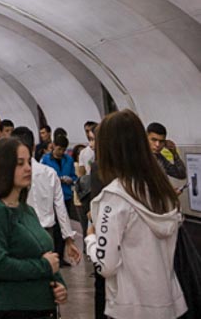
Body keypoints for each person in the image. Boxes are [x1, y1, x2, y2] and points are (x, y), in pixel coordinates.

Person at [85, 109, 186, 319]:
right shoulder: (162, 191)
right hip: (168, 304)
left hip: (129, 308)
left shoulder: (115, 198)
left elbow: (105, 265)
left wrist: (91, 239)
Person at [0, 137, 67, 317]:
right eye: (20, 164)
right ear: (2, 168)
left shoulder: (27, 210)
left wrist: (58, 284)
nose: (28, 168)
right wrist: (44, 266)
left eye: (28, 162)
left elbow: (45, 254)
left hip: (42, 309)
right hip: (14, 309)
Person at [12, 126, 81, 267]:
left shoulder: (10, 175)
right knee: (47, 274)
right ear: (33, 147)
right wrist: (69, 239)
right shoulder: (49, 173)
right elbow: (60, 208)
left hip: (20, 233)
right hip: (46, 234)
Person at [40, 132, 76, 264]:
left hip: (65, 195)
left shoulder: (69, 160)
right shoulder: (45, 160)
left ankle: (60, 256)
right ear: (54, 146)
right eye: (59, 148)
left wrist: (70, 179)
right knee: (53, 227)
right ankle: (53, 254)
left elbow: (74, 176)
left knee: (63, 226)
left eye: (63, 150)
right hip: (50, 197)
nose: (61, 152)